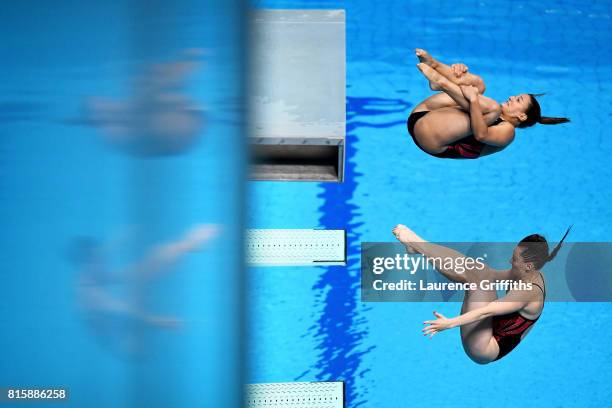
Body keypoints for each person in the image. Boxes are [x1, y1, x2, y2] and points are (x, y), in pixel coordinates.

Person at [392, 224, 570, 363]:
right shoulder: (529, 272)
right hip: (493, 326)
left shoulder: (528, 291)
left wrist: (449, 323)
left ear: (528, 265)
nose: (510, 261)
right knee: (480, 270)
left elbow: (487, 311)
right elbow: (490, 275)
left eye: (514, 260)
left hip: (486, 347)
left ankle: (417, 245)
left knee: (476, 282)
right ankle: (418, 246)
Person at [407, 49, 569, 159]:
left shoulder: (508, 132)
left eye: (518, 100)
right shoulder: (490, 111)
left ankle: (444, 84)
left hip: (430, 139)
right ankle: (436, 67)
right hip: (422, 114)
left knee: (491, 107)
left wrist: (472, 99)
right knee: (480, 86)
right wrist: (461, 75)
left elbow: (481, 135)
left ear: (521, 115)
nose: (512, 97)